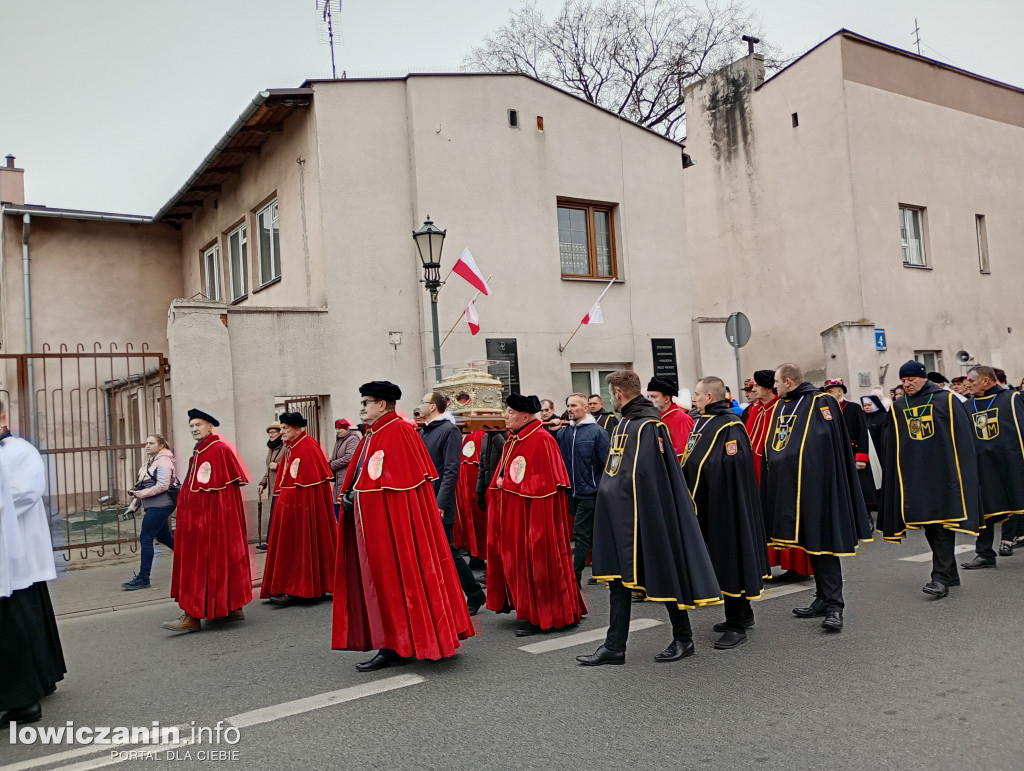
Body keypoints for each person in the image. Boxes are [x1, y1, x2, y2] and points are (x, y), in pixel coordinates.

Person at [577, 371, 721, 666]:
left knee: (664, 572)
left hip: (646, 515)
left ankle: (684, 638)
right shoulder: (625, 423)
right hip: (622, 515)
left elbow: (647, 475)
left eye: (610, 395)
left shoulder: (647, 426)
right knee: (618, 581)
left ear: (618, 394)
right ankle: (614, 646)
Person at [332, 381, 474, 671]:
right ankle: (393, 642)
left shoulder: (397, 431)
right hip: (373, 524)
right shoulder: (373, 433)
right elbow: (366, 477)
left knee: (397, 582)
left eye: (366, 402)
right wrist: (350, 494)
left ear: (382, 404)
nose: (362, 408)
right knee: (382, 584)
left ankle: (399, 645)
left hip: (392, 528)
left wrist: (358, 497)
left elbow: (398, 489)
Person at [762, 364, 872, 632]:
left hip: (820, 484)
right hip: (793, 485)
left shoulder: (821, 401)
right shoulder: (783, 405)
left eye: (776, 381)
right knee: (812, 543)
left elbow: (826, 440)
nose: (774, 386)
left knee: (825, 543)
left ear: (788, 381)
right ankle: (822, 598)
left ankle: (836, 605)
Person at [486, 393, 586, 637]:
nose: (506, 416)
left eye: (510, 412)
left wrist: (506, 483)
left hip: (536, 516)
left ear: (525, 415)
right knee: (520, 562)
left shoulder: (540, 439)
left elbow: (540, 484)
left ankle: (545, 614)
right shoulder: (515, 438)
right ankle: (527, 608)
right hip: (517, 512)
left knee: (539, 561)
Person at [878, 361, 980, 598]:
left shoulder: (947, 400)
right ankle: (950, 573)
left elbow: (963, 440)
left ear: (924, 378)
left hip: (943, 473)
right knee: (929, 524)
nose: (907, 384)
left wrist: (962, 474)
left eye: (911, 379)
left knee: (943, 522)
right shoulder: (899, 406)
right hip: (914, 475)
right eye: (903, 380)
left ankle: (940, 577)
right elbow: (892, 443)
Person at [682, 377, 770, 650]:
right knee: (718, 560)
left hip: (725, 504)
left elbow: (733, 464)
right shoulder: (700, 421)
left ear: (710, 396)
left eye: (697, 394)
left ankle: (736, 623)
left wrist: (707, 477)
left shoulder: (730, 425)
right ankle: (742, 614)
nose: (694, 399)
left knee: (731, 559)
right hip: (704, 502)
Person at [0, 403, 66, 726]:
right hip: (11, 553)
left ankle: (40, 681)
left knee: (24, 619)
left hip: (21, 549)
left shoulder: (19, 450)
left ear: (3, 418)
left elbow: (25, 491)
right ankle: (39, 679)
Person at [163, 409, 252, 632]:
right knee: (213, 563)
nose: (194, 429)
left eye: (198, 425)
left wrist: (205, 520)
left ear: (210, 426)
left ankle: (193, 616)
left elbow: (220, 495)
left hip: (210, 523)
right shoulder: (200, 451)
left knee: (201, 565)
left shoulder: (218, 450)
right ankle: (231, 608)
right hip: (199, 521)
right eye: (191, 426)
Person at [419, 392, 487, 616]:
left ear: (434, 407)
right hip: (424, 498)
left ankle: (475, 594)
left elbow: (451, 470)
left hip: (439, 500)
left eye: (424, 402)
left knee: (448, 550)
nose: (420, 405)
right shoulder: (424, 431)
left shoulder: (449, 431)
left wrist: (440, 502)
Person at [261, 412, 337, 605]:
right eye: (282, 428)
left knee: (302, 546)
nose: (282, 432)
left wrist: (295, 505)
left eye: (286, 428)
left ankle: (300, 588)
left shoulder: (308, 448)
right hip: (290, 507)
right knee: (289, 547)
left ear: (297, 428)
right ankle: (287, 585)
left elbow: (309, 487)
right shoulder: (290, 448)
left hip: (303, 510)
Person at [745, 369, 813, 581]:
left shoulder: (780, 408)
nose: (752, 390)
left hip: (774, 470)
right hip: (755, 471)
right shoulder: (756, 410)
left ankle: (797, 566)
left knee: (785, 517)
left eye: (756, 386)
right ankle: (772, 563)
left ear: (767, 388)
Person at [960, 366, 1024, 564]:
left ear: (986, 381)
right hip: (983, 467)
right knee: (984, 509)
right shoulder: (967, 406)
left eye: (971, 380)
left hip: (1012, 463)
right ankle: (985, 553)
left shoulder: (1013, 399)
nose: (967, 385)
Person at [556, 393, 610, 586]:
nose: (570, 409)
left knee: (580, 533)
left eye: (575, 406)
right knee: (589, 533)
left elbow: (607, 464)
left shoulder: (598, 432)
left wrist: (602, 489)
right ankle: (603, 569)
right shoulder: (564, 433)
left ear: (585, 408)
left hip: (590, 492)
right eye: (568, 406)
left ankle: (574, 575)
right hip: (571, 492)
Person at [121, 434, 176, 591]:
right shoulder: (149, 463)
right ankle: (192, 559)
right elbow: (141, 487)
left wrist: (140, 495)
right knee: (163, 536)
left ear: (161, 446)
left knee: (146, 537)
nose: (147, 446)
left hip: (162, 504)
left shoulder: (164, 462)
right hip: (152, 504)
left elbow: (163, 486)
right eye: (146, 443)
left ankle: (143, 578)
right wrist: (134, 504)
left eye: (151, 443)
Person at [824, 379, 876, 513]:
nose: (828, 394)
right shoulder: (826, 410)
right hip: (834, 454)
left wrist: (861, 457)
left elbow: (862, 432)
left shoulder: (853, 407)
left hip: (853, 453)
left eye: (831, 391)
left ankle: (866, 516)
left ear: (840, 391)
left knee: (860, 487)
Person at [454, 428, 487, 563]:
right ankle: (474, 554)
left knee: (478, 518)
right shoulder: (463, 433)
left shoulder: (480, 434)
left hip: (476, 486)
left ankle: (480, 555)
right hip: (463, 486)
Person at [646, 376, 695, 462]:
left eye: (653, 397)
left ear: (666, 399)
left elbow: (683, 455)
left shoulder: (682, 419)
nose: (649, 400)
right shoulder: (653, 417)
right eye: (648, 397)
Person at [255, 422, 285, 551]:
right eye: (270, 433)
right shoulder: (272, 448)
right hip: (273, 488)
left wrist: (278, 466)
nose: (271, 435)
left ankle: (271, 542)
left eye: (274, 432)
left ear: (280, 433)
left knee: (277, 516)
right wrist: (263, 483)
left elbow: (290, 465)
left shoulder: (285, 447)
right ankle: (270, 542)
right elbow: (268, 468)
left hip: (281, 488)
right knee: (273, 515)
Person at [330, 419, 360, 520]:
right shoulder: (339, 439)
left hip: (347, 476)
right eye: (336, 428)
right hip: (339, 477)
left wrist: (332, 465)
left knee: (344, 506)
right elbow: (335, 456)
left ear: (346, 428)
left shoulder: (352, 439)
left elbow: (350, 457)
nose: (338, 431)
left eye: (340, 428)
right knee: (337, 506)